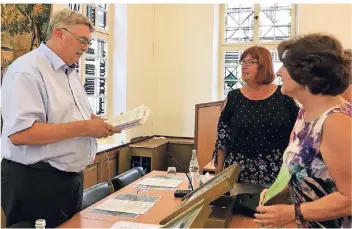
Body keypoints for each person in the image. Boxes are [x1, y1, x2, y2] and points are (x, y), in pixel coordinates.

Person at [1, 9, 121, 228]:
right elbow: (20, 134)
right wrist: (85, 127)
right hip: (36, 181)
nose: (86, 47)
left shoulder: (69, 71)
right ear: (59, 34)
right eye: (82, 40)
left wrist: (96, 124)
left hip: (68, 179)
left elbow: (67, 115)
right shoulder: (27, 71)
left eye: (88, 42)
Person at [254, 33, 351, 228]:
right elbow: (303, 170)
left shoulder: (336, 122)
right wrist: (278, 193)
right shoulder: (304, 114)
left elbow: (350, 198)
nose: (280, 72)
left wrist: (293, 212)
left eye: (286, 66)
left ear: (304, 76)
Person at [212, 46, 299, 184]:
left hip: (276, 173)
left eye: (250, 62)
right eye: (243, 63)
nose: (244, 67)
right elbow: (223, 137)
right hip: (238, 174)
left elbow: (298, 134)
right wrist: (218, 174)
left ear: (264, 65)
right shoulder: (234, 97)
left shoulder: (284, 95)